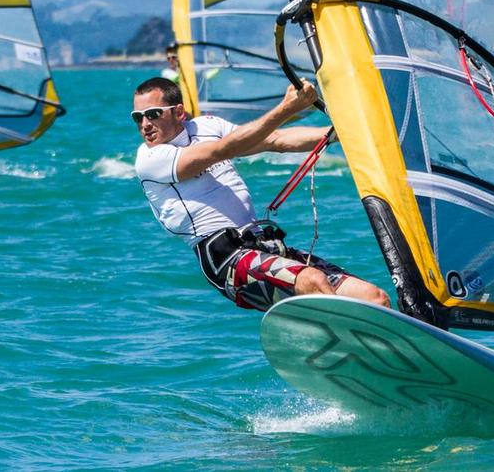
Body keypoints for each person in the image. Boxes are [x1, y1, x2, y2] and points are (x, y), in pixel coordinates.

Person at [132, 75, 390, 312]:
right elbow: (219, 151)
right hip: (227, 261)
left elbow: (275, 140)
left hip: (261, 245)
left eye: (153, 114)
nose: (145, 124)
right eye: (138, 117)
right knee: (312, 281)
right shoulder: (150, 158)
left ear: (179, 112)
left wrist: (345, 134)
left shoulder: (207, 125)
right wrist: (287, 107)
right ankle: (342, 347)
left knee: (373, 297)